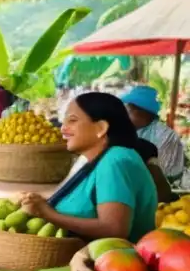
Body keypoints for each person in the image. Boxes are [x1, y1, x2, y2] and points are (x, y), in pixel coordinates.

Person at [18, 92, 158, 243]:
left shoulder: (115, 160)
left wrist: (47, 213)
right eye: (64, 121)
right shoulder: (98, 159)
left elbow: (114, 229)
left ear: (101, 128)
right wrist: (40, 201)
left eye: (72, 120)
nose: (63, 128)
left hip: (109, 261)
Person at [122, 85, 185, 182]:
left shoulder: (165, 135)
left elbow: (159, 173)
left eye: (129, 109)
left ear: (142, 113)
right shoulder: (126, 129)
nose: (124, 113)